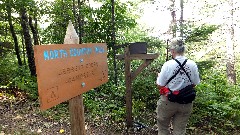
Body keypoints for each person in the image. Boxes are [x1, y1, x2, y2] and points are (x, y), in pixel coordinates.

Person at [156, 38, 200, 135]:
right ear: (183, 50)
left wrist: (159, 77)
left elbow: (160, 85)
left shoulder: (168, 65)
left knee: (163, 128)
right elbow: (195, 83)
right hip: (186, 102)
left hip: (168, 101)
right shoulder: (192, 64)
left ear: (173, 50)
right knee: (180, 131)